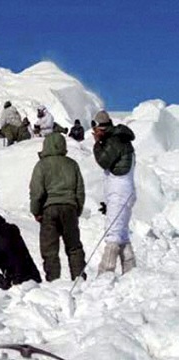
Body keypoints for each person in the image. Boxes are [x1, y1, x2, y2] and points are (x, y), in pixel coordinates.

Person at [29, 133, 86, 281]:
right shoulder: (72, 164)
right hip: (70, 208)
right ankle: (79, 279)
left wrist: (36, 211)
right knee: (74, 247)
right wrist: (77, 209)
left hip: (49, 210)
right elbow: (80, 190)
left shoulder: (41, 165)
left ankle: (54, 282)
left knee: (50, 250)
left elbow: (37, 192)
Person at [92, 111, 137, 275]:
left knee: (113, 234)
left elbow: (104, 161)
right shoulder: (119, 137)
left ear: (100, 127)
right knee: (122, 234)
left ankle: (105, 273)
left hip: (119, 191)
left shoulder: (114, 140)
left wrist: (97, 144)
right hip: (123, 191)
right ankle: (131, 271)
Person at [0, 213, 42, 289]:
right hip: (34, 277)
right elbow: (2, 257)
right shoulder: (13, 232)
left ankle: (3, 293)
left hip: (18, 281)